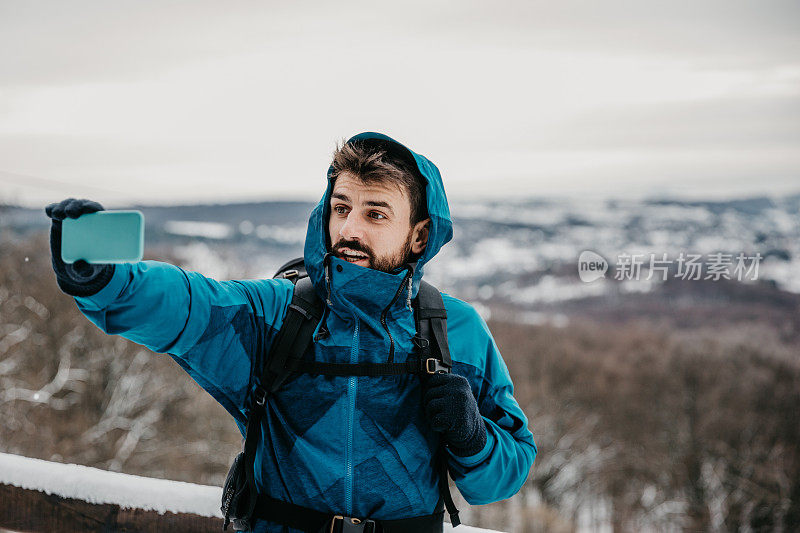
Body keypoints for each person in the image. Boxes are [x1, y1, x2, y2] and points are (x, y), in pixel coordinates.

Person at [45, 132, 537, 533]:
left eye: (376, 214)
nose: (350, 229)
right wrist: (107, 280)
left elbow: (506, 472)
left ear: (420, 235)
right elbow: (191, 305)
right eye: (341, 208)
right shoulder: (279, 315)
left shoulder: (454, 330)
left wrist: (472, 437)